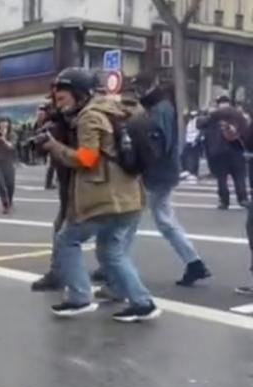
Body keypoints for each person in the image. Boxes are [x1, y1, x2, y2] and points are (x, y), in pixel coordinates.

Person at [41, 68, 161, 322]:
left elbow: (87, 158)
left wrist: (54, 147)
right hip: (129, 196)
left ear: (79, 94)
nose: (58, 105)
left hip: (104, 198)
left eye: (62, 99)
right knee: (110, 252)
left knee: (66, 241)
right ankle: (142, 303)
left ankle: (79, 297)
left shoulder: (89, 117)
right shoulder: (116, 110)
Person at [122, 73, 211, 287]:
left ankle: (115, 266)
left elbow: (156, 146)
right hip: (164, 172)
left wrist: (138, 161)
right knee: (164, 219)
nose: (138, 92)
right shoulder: (163, 107)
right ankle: (194, 262)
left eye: (140, 88)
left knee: (129, 220)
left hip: (156, 173)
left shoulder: (159, 110)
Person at [30, 94, 74, 292]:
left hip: (83, 184)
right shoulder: (61, 122)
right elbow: (39, 151)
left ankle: (71, 286)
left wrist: (55, 141)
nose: (57, 105)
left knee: (65, 234)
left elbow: (88, 157)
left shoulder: (81, 120)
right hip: (69, 183)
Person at [198, 95, 249, 209]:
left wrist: (207, 113)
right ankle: (243, 198)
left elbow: (199, 124)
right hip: (236, 150)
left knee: (222, 178)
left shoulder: (213, 115)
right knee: (239, 176)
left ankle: (224, 201)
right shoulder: (238, 115)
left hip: (218, 151)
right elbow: (246, 131)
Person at [180, 111, 202, 182]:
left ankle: (194, 173)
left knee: (195, 158)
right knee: (184, 156)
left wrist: (196, 140)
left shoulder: (198, 121)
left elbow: (200, 132)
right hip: (188, 141)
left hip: (194, 142)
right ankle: (187, 170)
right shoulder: (189, 122)